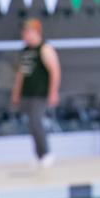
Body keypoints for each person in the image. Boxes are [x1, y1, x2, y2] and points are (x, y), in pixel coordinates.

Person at [10, 19, 61, 167]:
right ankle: (39, 155)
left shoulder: (45, 49)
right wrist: (16, 92)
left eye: (27, 32)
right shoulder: (26, 51)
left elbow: (55, 71)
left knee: (36, 122)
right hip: (28, 92)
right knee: (31, 125)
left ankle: (46, 153)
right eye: (23, 32)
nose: (24, 35)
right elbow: (22, 74)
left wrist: (53, 92)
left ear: (36, 32)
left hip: (41, 93)